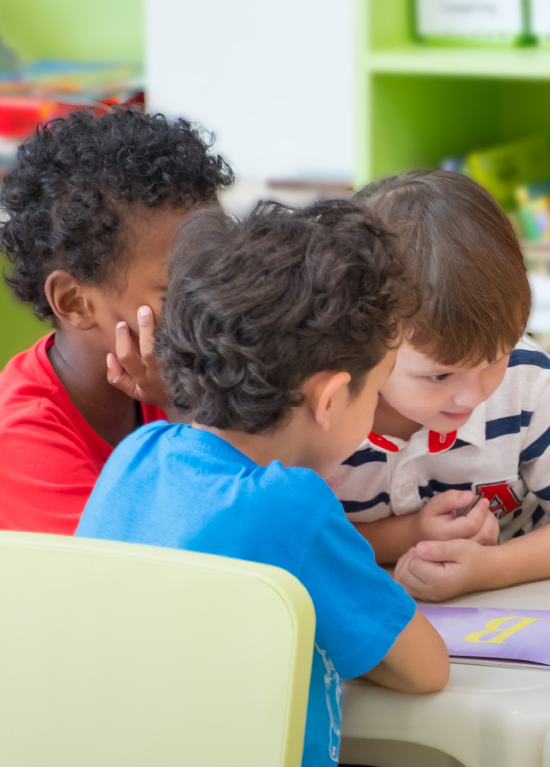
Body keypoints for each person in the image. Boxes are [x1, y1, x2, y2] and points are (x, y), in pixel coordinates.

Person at [79, 200, 450, 767]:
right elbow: (426, 670)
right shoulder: (289, 506)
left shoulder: (136, 455)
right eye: (375, 392)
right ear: (329, 400)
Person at [330, 169, 550, 600]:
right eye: (438, 375)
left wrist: (489, 569)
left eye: (494, 359)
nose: (473, 396)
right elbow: (279, 540)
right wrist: (407, 534)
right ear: (362, 338)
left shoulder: (526, 375)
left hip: (514, 615)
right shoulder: (320, 405)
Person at [0, 108, 233, 532]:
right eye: (177, 290)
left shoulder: (182, 361)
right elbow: (172, 563)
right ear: (74, 303)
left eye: (222, 272)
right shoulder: (21, 438)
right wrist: (181, 407)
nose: (217, 302)